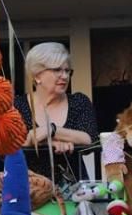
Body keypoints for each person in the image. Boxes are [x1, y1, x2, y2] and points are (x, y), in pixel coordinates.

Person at [14, 42, 98, 185]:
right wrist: (47, 143)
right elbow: (8, 145)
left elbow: (90, 139)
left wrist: (51, 130)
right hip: (30, 191)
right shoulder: (17, 106)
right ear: (37, 75)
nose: (64, 76)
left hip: (74, 191)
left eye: (67, 71)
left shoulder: (79, 101)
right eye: (57, 70)